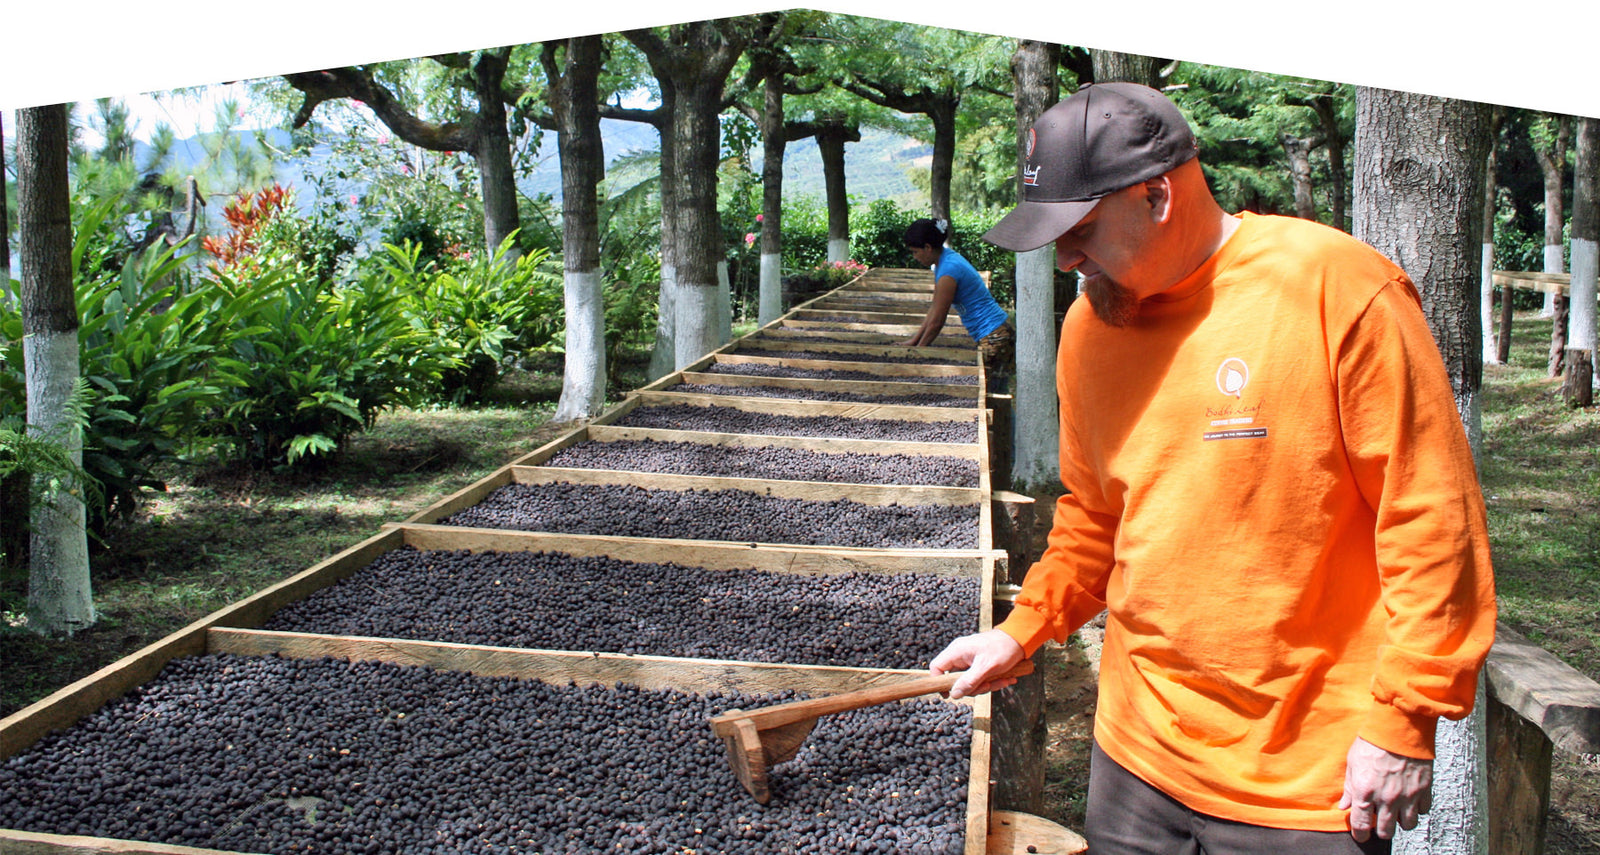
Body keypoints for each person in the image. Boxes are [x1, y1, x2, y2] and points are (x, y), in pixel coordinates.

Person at [928, 82, 1496, 854]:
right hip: (1135, 758)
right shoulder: (1088, 331)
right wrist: (1023, 630)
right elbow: (1093, 517)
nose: (1066, 259)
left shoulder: (1338, 291)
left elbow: (1434, 524)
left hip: (1304, 785)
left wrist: (1404, 719)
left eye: (1081, 229)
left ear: (1158, 195)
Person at [899, 218, 1015, 386]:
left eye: (915, 252)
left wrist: (920, 352)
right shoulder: (944, 261)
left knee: (992, 395)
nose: (914, 257)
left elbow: (938, 320)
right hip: (994, 332)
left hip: (994, 335)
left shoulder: (949, 270)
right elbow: (933, 310)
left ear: (928, 248)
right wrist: (914, 342)